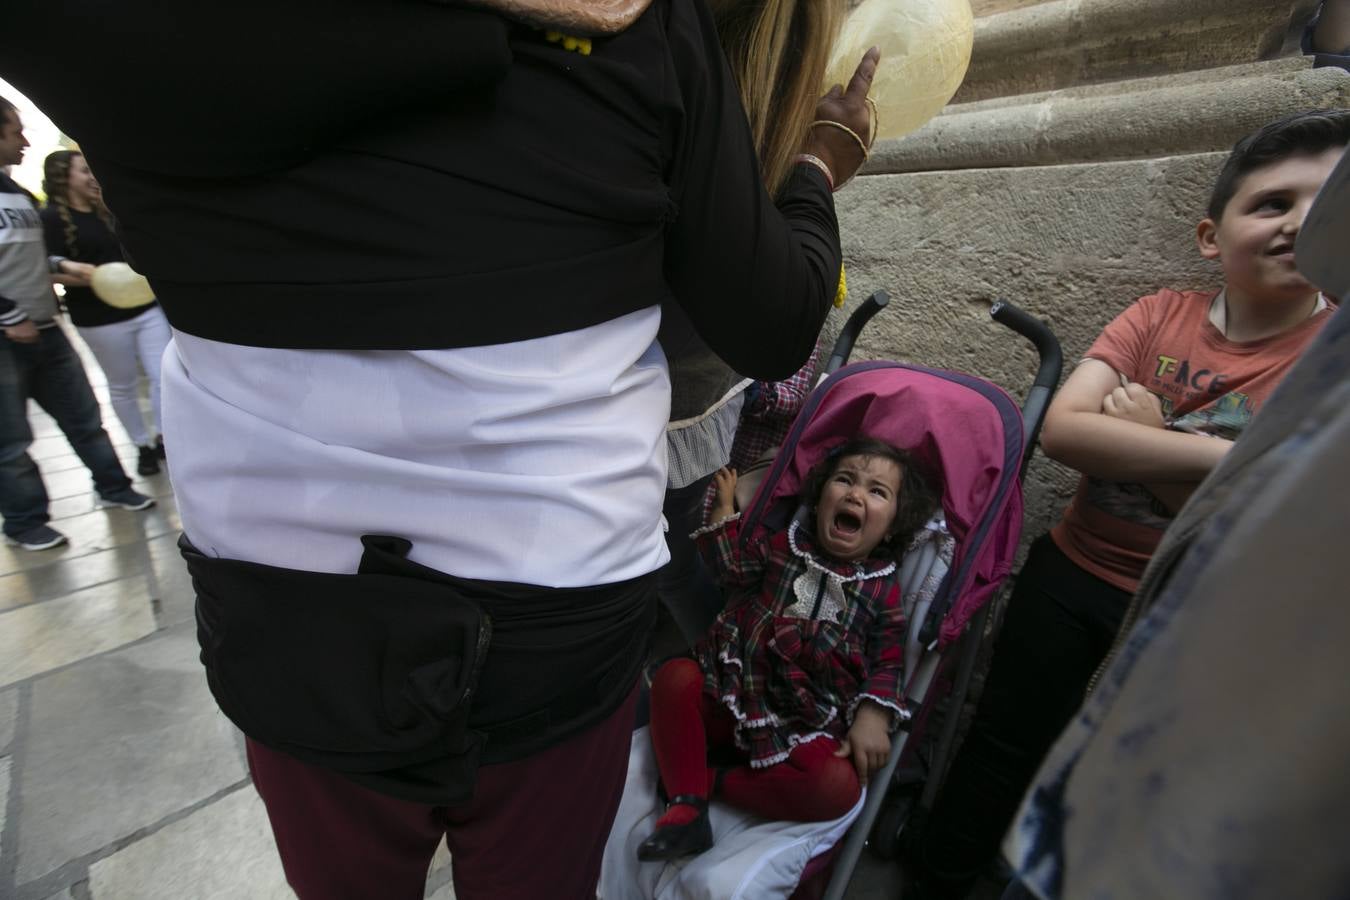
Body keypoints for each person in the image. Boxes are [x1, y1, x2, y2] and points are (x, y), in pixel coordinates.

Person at [4, 1, 879, 897]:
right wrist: (813, 165)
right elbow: (772, 322)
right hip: (551, 593)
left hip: (283, 606)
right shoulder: (628, 22)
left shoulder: (115, 29)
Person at [908, 107, 1349, 899]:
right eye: (1273, 203)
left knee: (1119, 771)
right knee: (1002, 743)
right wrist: (1224, 461)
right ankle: (935, 882)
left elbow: (1285, 506)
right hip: (1071, 576)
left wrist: (1151, 436)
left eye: (1326, 204)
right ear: (1212, 235)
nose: (1299, 224)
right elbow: (1067, 431)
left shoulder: (1330, 355)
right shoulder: (1159, 315)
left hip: (1203, 607)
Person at [638, 437, 941, 862]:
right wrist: (725, 514)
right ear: (818, 502)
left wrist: (874, 712)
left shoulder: (882, 591)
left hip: (801, 722)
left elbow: (889, 658)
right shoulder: (786, 545)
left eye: (877, 491)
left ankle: (701, 782)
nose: (855, 493)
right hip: (733, 689)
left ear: (892, 526)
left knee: (838, 787)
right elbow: (732, 570)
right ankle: (687, 810)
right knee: (674, 678)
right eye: (844, 480)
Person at [657, 0, 853, 646]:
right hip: (651, 418)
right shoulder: (699, 109)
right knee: (666, 574)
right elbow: (779, 325)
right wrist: (817, 167)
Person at [0, 98, 153, 552]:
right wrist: (10, 317)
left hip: (45, 329)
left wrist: (67, 265)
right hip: (10, 334)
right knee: (11, 441)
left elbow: (28, 254)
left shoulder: (17, 194)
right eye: (14, 131)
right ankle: (25, 521)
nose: (24, 140)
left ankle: (114, 487)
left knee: (85, 418)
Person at [42, 150, 171, 476]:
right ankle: (141, 444)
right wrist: (92, 277)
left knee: (162, 376)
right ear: (64, 177)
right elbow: (44, 269)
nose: (91, 177)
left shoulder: (109, 211)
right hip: (99, 319)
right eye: (84, 171)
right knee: (123, 385)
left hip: (145, 310)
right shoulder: (51, 219)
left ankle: (163, 437)